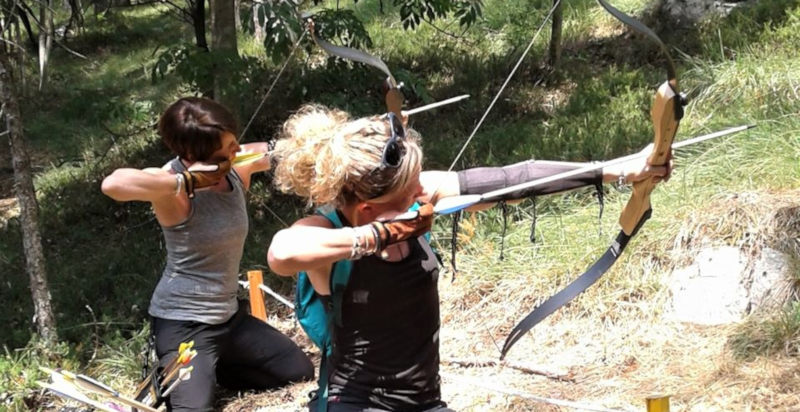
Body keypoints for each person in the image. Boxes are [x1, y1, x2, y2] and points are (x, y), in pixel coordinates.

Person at [266, 105, 671, 412]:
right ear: (369, 209)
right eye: (411, 192)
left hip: (425, 401)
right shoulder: (326, 230)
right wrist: (379, 235)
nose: (422, 193)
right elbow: (282, 252)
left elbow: (514, 179)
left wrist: (620, 169)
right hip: (355, 402)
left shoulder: (418, 192)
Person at [101, 97, 314, 411]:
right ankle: (183, 374)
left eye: (234, 141)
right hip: (184, 324)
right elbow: (113, 184)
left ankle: (210, 371)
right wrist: (185, 180)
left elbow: (287, 151)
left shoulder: (236, 166)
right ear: (193, 155)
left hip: (230, 319)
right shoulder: (170, 186)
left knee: (297, 371)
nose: (237, 149)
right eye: (226, 148)